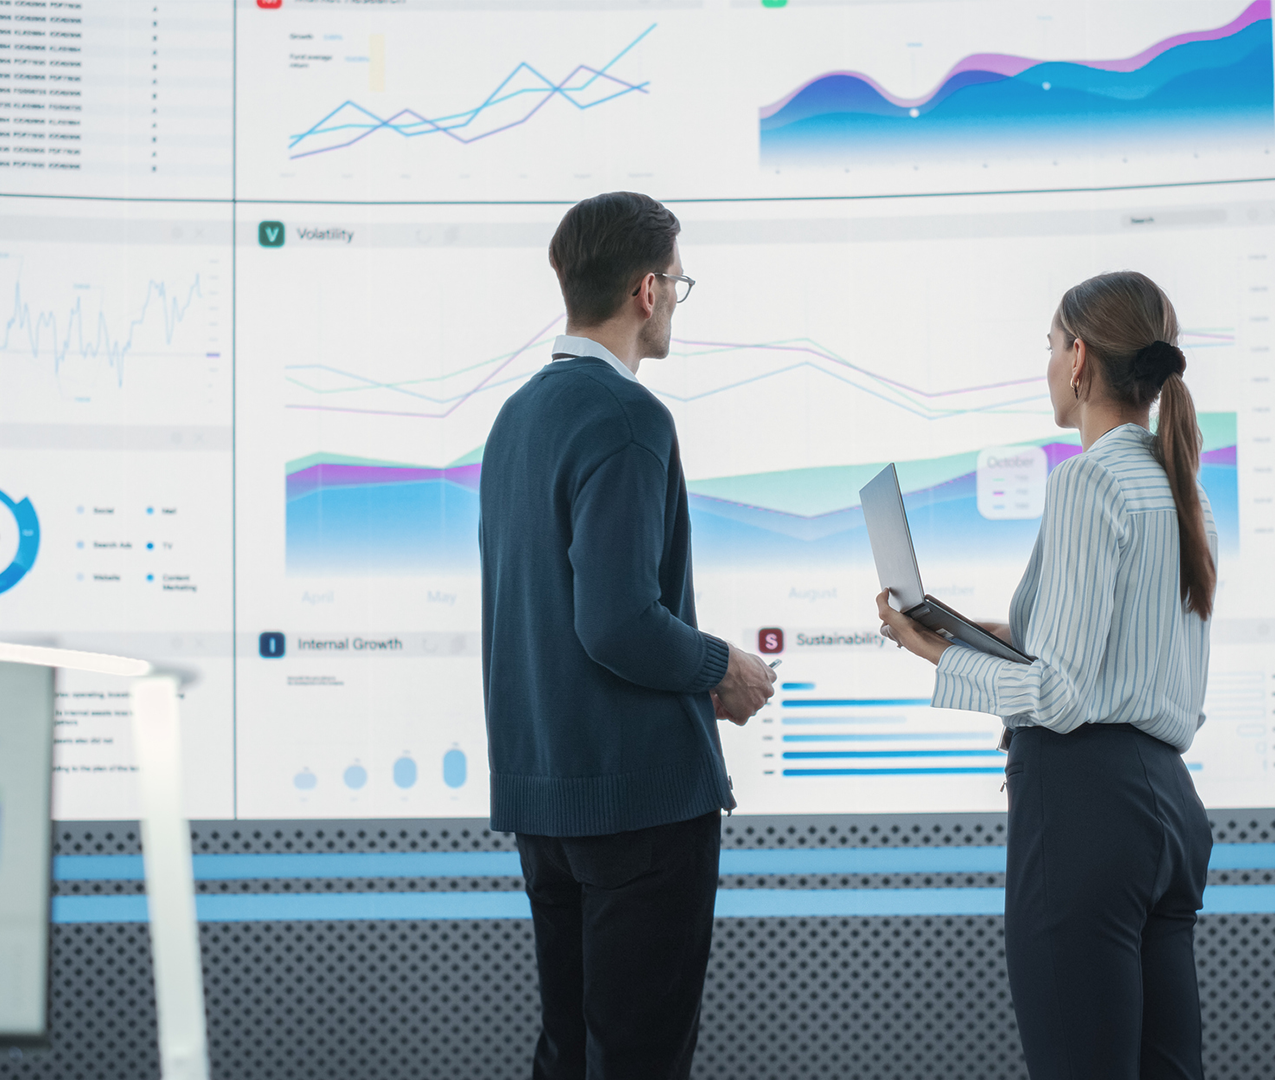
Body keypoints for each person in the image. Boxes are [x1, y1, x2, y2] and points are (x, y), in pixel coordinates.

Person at [875, 271, 1216, 1080]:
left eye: (1049, 346)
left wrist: (934, 651)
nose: (1048, 365)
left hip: (1085, 812)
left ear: (1078, 361)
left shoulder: (1088, 480)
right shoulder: (1180, 490)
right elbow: (1118, 657)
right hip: (1167, 807)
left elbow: (1061, 697)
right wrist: (1003, 635)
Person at [479, 191, 777, 1080]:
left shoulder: (514, 420)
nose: (677, 299)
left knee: (570, 1054)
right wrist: (718, 666)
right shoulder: (627, 418)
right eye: (679, 281)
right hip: (639, 803)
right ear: (647, 291)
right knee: (640, 1061)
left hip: (549, 800)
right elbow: (614, 622)